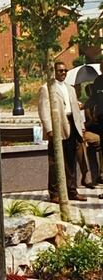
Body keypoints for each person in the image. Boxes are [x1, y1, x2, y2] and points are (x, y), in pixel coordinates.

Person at [37, 61, 87, 203]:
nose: (63, 73)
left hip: (72, 125)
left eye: (65, 70)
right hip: (58, 127)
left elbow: (75, 109)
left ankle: (72, 191)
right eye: (60, 71)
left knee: (71, 161)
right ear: (54, 72)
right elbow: (43, 110)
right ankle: (54, 193)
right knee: (55, 162)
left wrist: (81, 127)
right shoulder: (46, 88)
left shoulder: (70, 88)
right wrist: (50, 130)